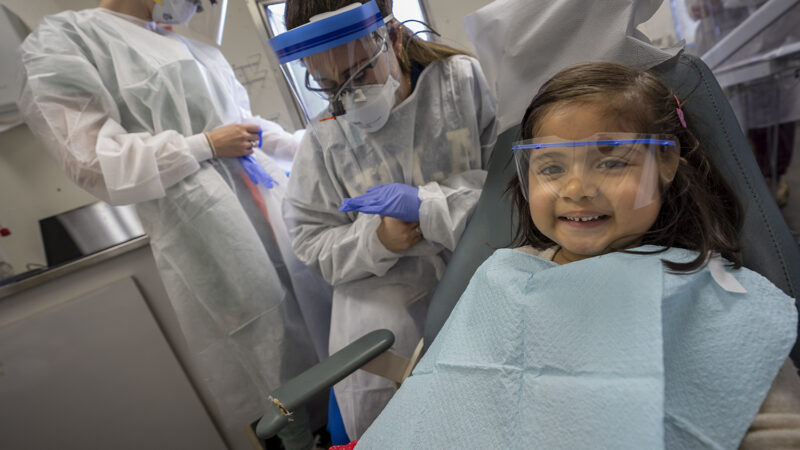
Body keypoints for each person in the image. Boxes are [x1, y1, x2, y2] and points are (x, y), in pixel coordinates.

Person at [351, 62, 797, 448]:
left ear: (665, 162)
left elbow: (771, 422)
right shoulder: (504, 276)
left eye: (611, 161)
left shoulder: (702, 289)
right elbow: (440, 402)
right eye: (551, 168)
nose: (576, 188)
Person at [16, 0, 325, 447]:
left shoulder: (188, 47)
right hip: (208, 231)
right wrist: (202, 145)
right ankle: (300, 439)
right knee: (263, 344)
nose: (200, 6)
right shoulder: (69, 40)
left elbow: (243, 126)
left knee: (311, 323)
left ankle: (335, 425)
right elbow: (91, 159)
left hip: (269, 212)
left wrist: (317, 146)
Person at [270, 0, 497, 440]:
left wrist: (429, 208)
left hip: (478, 285)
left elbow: (511, 185)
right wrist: (378, 239)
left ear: (391, 37)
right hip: (385, 326)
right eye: (329, 86)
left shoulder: (459, 84)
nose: (349, 99)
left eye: (359, 75)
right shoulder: (326, 139)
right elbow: (311, 241)